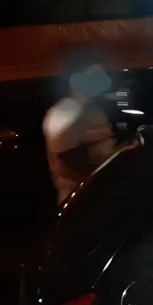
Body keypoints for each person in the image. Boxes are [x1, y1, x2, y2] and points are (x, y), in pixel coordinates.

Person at [42, 54, 118, 204]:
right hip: (79, 201)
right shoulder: (62, 114)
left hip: (102, 198)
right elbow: (62, 166)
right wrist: (94, 185)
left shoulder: (95, 111)